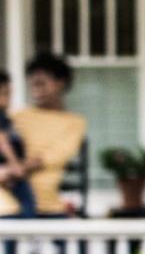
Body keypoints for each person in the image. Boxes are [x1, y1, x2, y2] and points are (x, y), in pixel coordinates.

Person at [4, 53, 88, 219]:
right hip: (9, 196)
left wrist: (18, 169)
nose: (36, 90)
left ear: (60, 83)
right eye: (33, 85)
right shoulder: (18, 116)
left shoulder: (74, 123)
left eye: (42, 84)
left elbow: (55, 156)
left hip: (48, 202)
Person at [0, 70, 37, 217]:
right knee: (26, 203)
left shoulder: (7, 117)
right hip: (8, 171)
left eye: (9, 93)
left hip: (9, 173)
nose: (8, 98)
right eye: (4, 93)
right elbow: (2, 140)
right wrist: (14, 164)